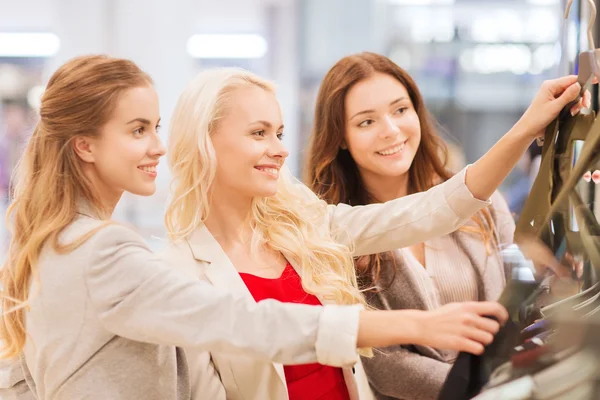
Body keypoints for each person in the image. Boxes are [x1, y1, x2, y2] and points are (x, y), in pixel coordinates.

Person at [0, 55, 508, 400]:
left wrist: (528, 127)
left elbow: (19, 378)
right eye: (138, 130)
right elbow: (245, 323)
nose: (157, 146)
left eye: (155, 128)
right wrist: (412, 325)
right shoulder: (114, 252)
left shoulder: (60, 244)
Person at [162, 63, 586, 399]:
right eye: (259, 133)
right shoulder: (176, 273)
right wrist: (421, 328)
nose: (280, 148)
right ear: (204, 142)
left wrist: (528, 127)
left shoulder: (305, 224)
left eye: (279, 132)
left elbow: (434, 209)